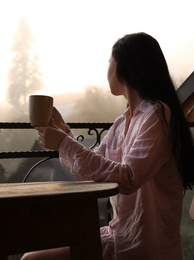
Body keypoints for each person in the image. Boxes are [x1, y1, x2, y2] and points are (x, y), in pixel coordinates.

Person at [21, 32, 194, 260]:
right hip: (119, 237)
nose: (107, 67)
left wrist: (63, 144)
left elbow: (128, 177)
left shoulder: (157, 114)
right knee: (32, 255)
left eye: (109, 61)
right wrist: (65, 136)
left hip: (147, 248)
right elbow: (94, 168)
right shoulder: (123, 121)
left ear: (124, 66)